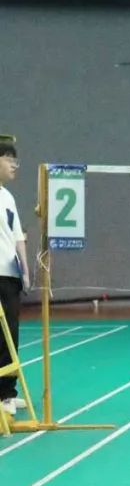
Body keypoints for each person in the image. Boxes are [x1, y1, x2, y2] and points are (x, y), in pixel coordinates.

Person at [0, 135, 30, 422]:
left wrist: (26, 270)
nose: (14, 166)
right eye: (9, 159)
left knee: (11, 334)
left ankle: (7, 391)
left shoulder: (8, 197)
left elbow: (18, 236)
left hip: (10, 275)